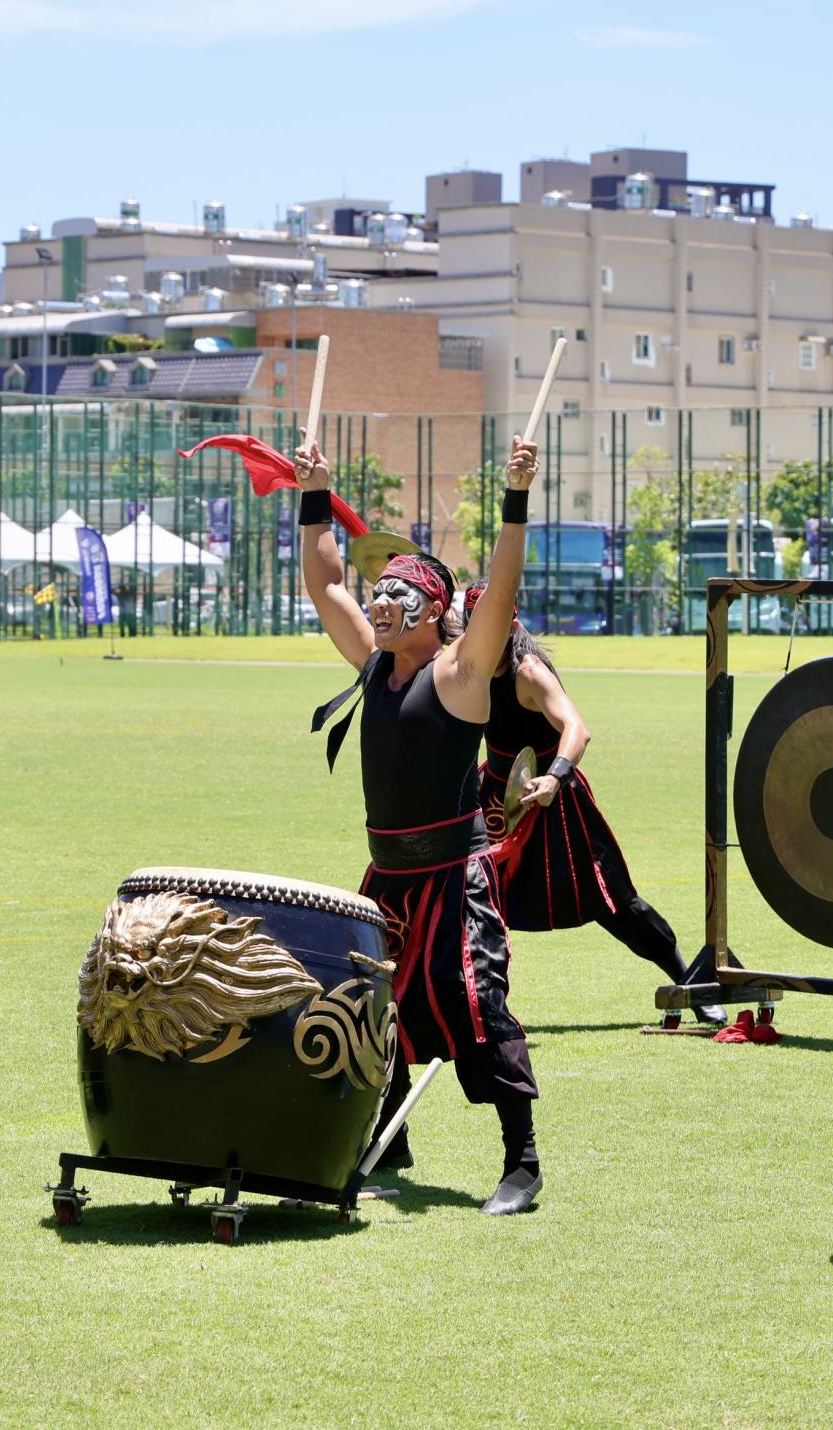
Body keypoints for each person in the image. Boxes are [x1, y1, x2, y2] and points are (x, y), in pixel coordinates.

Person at [299, 432, 542, 1216]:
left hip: (454, 874)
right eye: (379, 589)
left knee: (473, 1000)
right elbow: (322, 579)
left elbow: (499, 594)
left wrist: (515, 496)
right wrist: (313, 491)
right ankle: (389, 1137)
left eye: (397, 590)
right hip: (387, 874)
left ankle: (522, 1161)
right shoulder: (373, 662)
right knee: (374, 1000)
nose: (378, 598)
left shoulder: (460, 671)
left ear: (433, 610)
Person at [459, 585, 716, 1023]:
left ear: (512, 625)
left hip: (554, 801)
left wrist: (554, 777)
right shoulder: (467, 661)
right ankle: (476, 1003)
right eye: (475, 627)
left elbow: (576, 728)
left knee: (614, 902)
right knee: (468, 897)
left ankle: (692, 982)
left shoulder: (528, 672)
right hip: (497, 801)